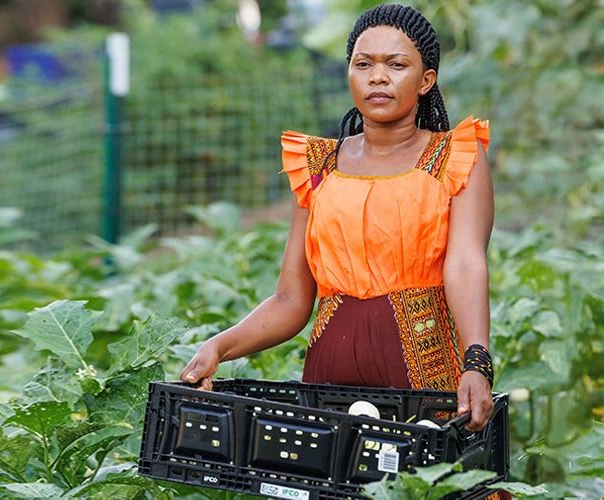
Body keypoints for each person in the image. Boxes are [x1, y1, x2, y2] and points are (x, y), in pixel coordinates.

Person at [182, 3, 495, 432]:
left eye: (396, 64)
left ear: (426, 81)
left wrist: (476, 362)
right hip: (329, 377)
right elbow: (291, 301)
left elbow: (465, 262)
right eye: (363, 64)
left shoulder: (454, 155)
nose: (378, 77)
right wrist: (219, 346)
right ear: (348, 73)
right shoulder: (317, 166)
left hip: (425, 377)